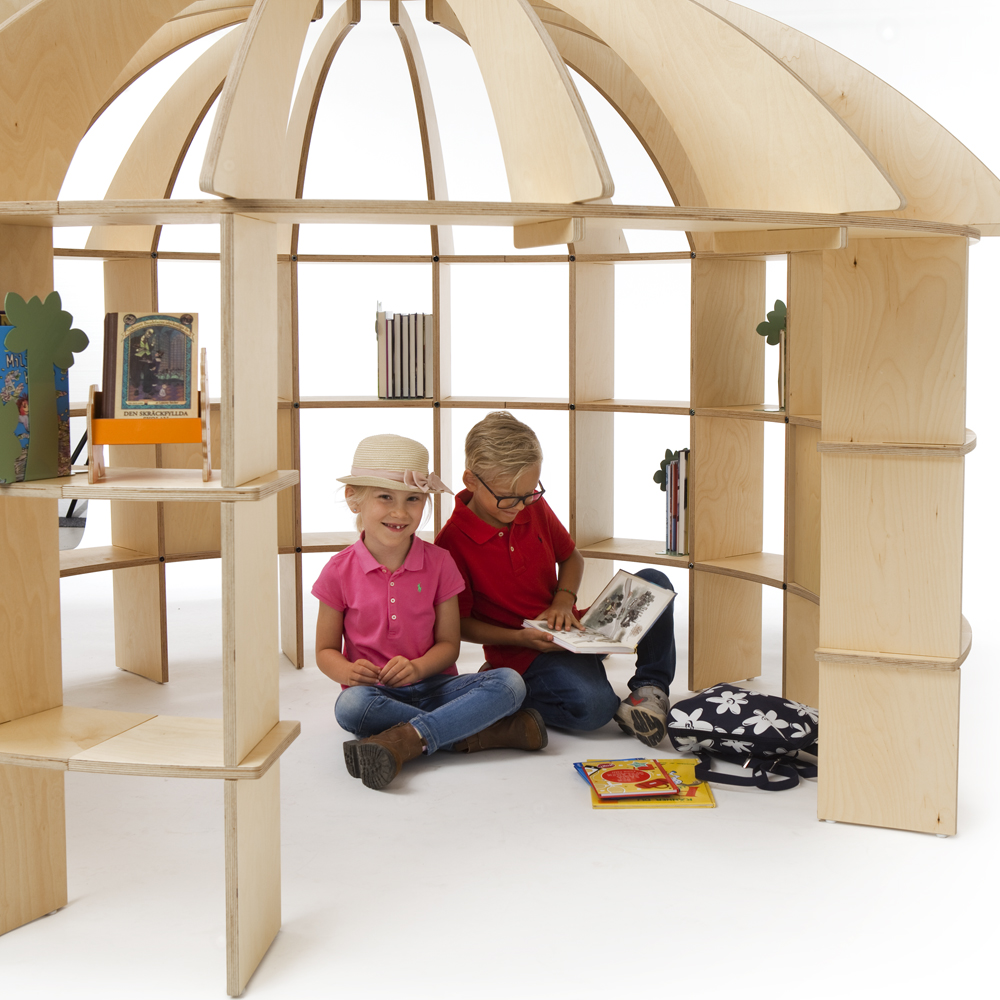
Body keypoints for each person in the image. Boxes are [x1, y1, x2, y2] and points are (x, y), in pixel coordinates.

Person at [313, 433, 547, 790]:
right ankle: (480, 733)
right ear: (353, 499)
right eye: (385, 497)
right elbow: (324, 651)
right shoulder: (337, 571)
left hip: (437, 686)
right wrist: (347, 670)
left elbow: (449, 645)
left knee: (510, 683)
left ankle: (404, 741)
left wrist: (418, 668)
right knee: (350, 706)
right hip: (376, 694)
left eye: (413, 499)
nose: (400, 512)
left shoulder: (440, 563)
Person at [435, 412, 677, 747]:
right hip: (525, 651)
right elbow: (460, 625)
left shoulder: (531, 505)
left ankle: (649, 690)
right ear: (471, 481)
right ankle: (501, 688)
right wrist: (521, 639)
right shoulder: (450, 544)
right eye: (508, 497)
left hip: (573, 628)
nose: (520, 506)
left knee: (654, 583)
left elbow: (571, 557)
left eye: (529, 493)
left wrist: (563, 601)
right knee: (596, 708)